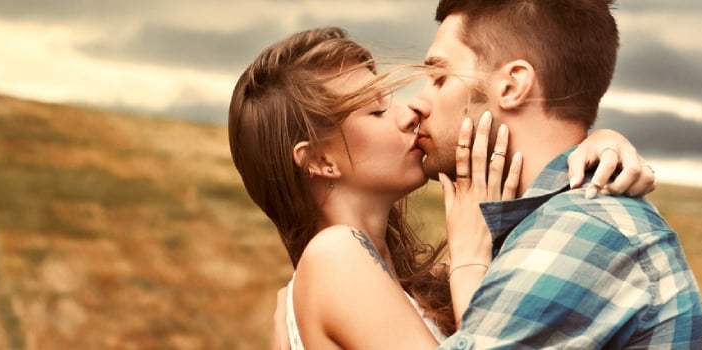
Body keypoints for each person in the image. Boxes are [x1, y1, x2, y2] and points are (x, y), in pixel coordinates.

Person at [231, 28, 654, 349]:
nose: (408, 112)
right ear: (320, 161)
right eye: (376, 110)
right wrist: (470, 259)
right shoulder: (334, 257)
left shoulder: (399, 279)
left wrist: (598, 143)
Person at [404, 0, 702, 348]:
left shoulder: (581, 229)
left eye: (438, 77)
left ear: (511, 86)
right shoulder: (545, 226)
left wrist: (469, 263)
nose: (416, 103)